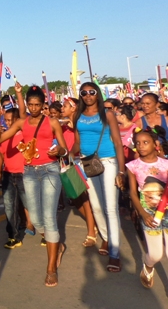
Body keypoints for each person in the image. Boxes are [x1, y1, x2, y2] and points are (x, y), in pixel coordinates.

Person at [0, 85, 68, 287]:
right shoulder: (20, 122)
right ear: (26, 104)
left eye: (37, 104)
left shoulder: (52, 122)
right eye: (31, 104)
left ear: (43, 104)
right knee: (35, 219)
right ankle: (57, 245)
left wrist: (58, 151)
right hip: (29, 172)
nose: (34, 108)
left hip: (50, 170)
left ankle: (51, 268)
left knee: (49, 218)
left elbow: (64, 149)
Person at [74, 82, 125, 273]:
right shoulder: (77, 115)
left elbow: (118, 143)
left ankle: (115, 253)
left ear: (97, 94)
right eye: (84, 93)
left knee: (110, 208)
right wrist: (66, 154)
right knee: (95, 206)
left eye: (91, 92)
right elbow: (77, 142)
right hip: (87, 163)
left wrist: (121, 171)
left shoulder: (107, 113)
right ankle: (106, 237)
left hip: (108, 161)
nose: (88, 95)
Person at [126, 128, 168, 289]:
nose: (141, 146)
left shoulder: (165, 164)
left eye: (145, 142)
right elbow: (133, 193)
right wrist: (143, 214)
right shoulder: (133, 166)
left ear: (155, 144)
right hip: (149, 213)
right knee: (156, 254)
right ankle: (148, 267)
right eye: (138, 143)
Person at [61, 98, 101, 252]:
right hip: (70, 163)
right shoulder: (63, 126)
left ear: (74, 108)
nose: (62, 109)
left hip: (83, 161)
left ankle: (91, 231)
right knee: (75, 198)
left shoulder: (81, 124)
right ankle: (96, 224)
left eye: (65, 106)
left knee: (85, 199)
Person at [0, 107, 33, 249]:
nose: (8, 123)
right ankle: (13, 236)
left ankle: (41, 231)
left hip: (24, 174)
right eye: (6, 120)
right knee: (10, 206)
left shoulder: (25, 134)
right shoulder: (4, 136)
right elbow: (0, 154)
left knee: (29, 204)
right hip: (9, 174)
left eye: (11, 120)